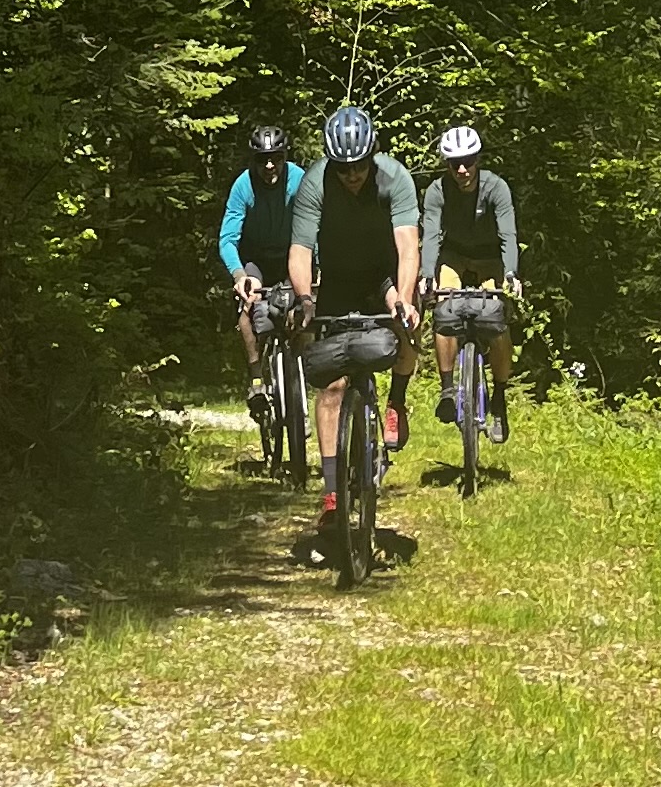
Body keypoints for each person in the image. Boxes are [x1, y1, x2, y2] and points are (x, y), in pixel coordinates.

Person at [287, 104, 421, 532]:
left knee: (405, 323)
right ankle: (331, 494)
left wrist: (402, 297)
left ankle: (395, 400)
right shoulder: (315, 182)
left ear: (372, 154)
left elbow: (407, 246)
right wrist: (306, 300)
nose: (351, 175)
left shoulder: (395, 178)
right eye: (342, 168)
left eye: (358, 165)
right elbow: (301, 250)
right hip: (338, 280)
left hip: (382, 277)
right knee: (332, 385)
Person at [420, 125, 520, 444]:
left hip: (490, 257)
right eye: (454, 163)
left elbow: (508, 234)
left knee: (497, 319)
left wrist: (511, 274)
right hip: (455, 256)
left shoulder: (496, 188)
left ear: (478, 159)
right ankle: (448, 389)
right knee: (444, 310)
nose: (462, 169)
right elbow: (432, 235)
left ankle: (500, 399)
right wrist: (426, 276)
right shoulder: (437, 191)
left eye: (469, 160)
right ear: (446, 164)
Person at [218, 124, 305, 421]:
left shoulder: (299, 180)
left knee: (306, 302)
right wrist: (239, 275)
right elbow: (228, 239)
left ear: (284, 157)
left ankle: (298, 384)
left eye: (276, 158)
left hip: (291, 255)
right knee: (248, 297)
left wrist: (316, 266)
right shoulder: (243, 186)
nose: (269, 165)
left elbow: (314, 227)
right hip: (256, 260)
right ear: (253, 161)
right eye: (262, 159)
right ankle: (256, 376)